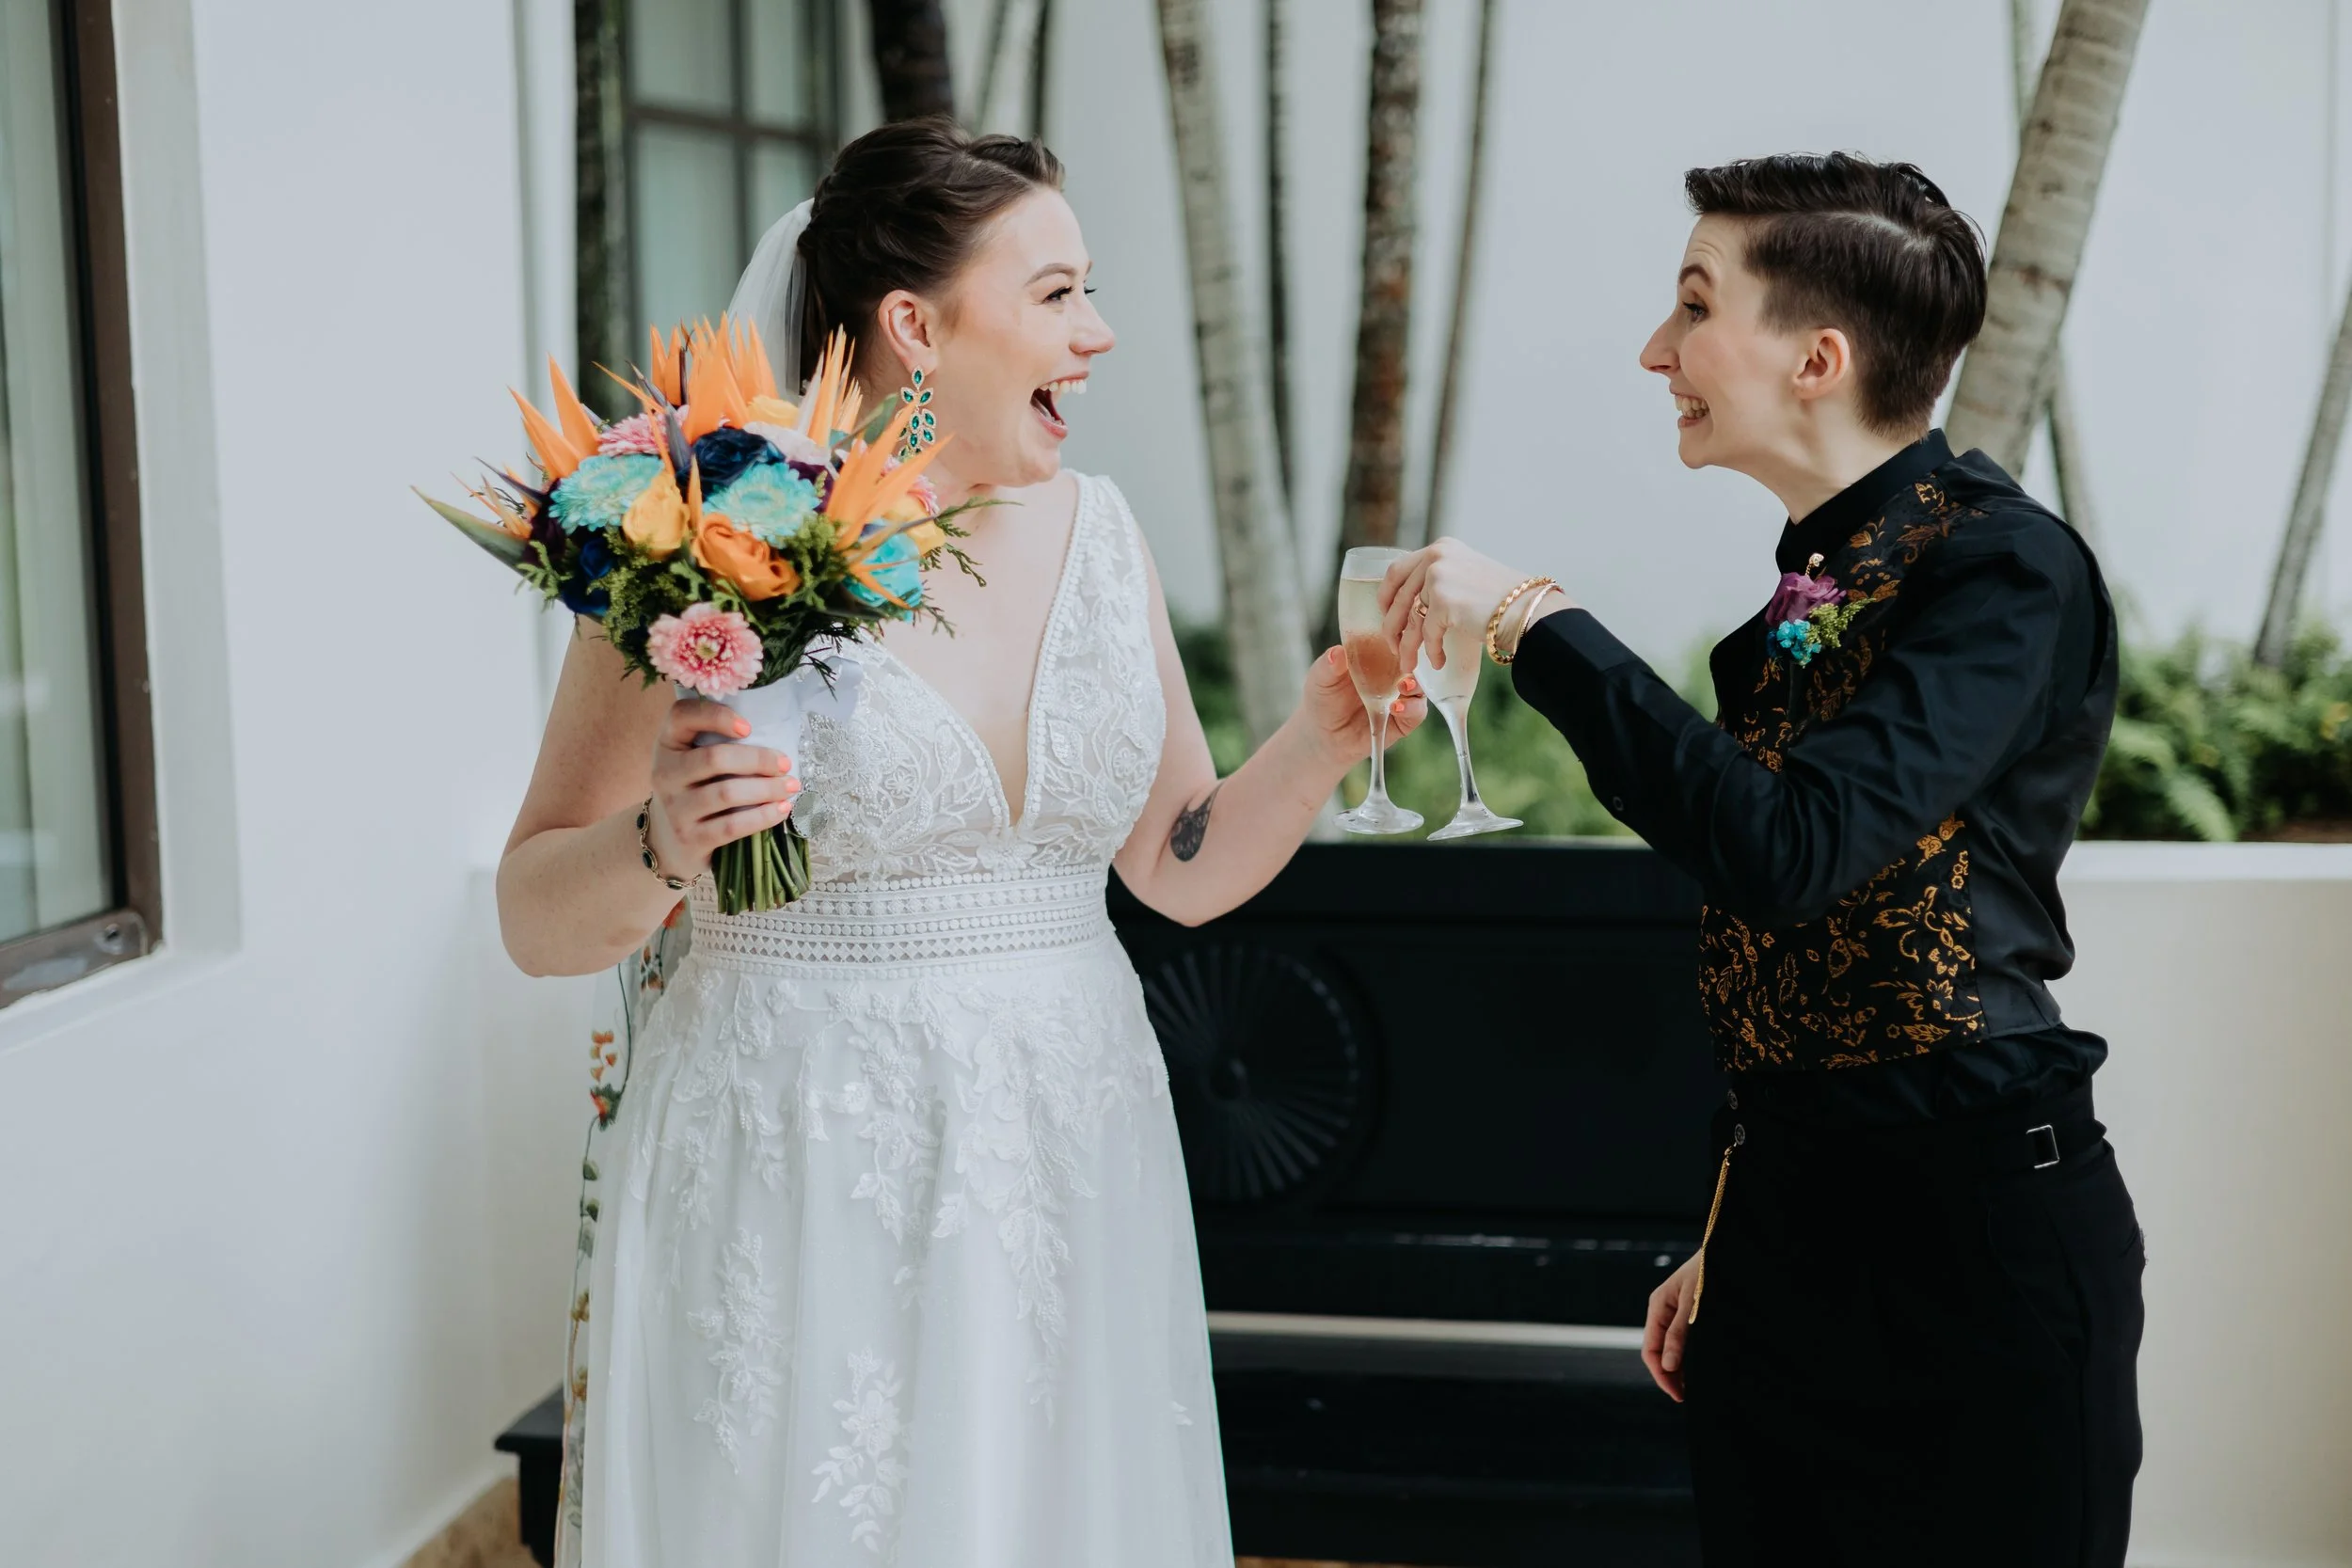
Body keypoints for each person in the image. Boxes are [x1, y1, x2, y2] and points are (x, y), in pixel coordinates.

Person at [496, 118, 1422, 1568]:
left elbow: (1176, 864)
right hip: (800, 1154)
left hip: (1066, 1147)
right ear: (917, 324)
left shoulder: (1103, 535)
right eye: (1057, 294)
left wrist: (1316, 741)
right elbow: (535, 914)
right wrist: (664, 841)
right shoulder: (705, 542)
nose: (1101, 333)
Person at [1382, 153, 2142, 1567]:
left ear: (1818, 356)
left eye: (1691, 306)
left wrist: (1536, 621)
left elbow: (1788, 849)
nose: (1653, 351)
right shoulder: (1821, 575)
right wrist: (1740, 1217)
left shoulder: (2004, 570)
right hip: (1794, 1231)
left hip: (1976, 1247)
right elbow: (1783, 944)